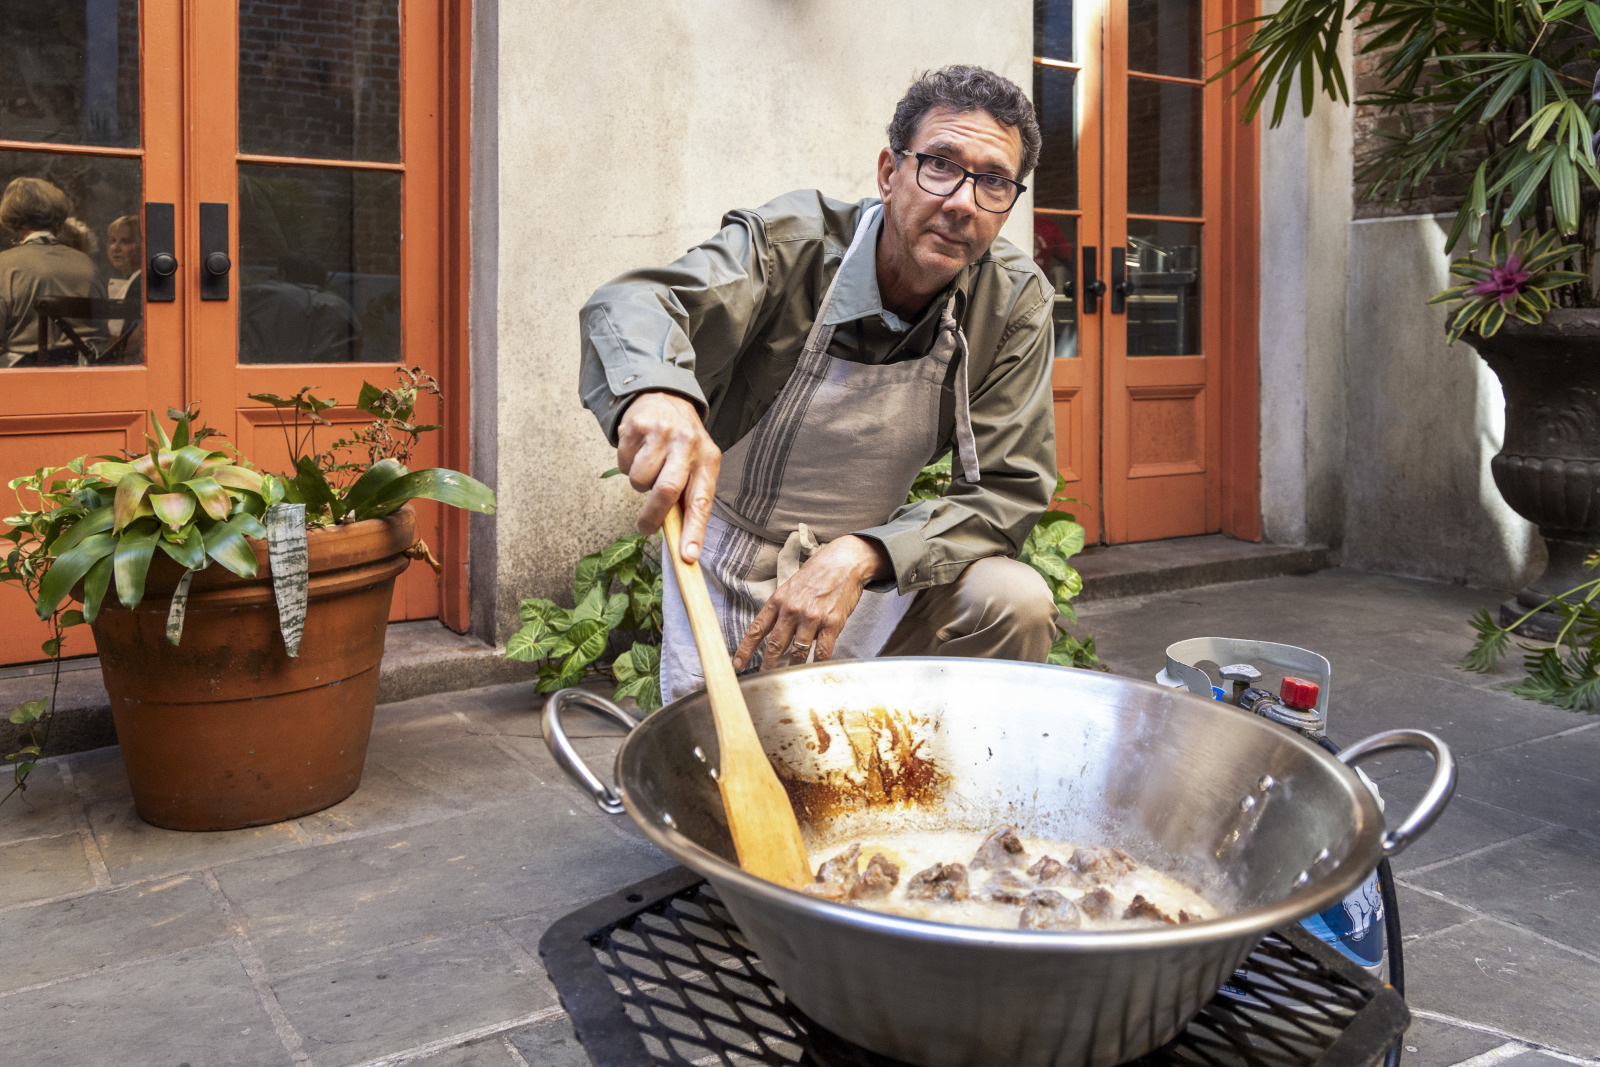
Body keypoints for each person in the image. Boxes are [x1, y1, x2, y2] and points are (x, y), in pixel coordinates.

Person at [580, 65, 1060, 702]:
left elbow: (1009, 488)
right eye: (940, 164)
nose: (962, 201)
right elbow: (635, 301)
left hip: (876, 573)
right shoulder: (792, 247)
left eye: (994, 181)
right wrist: (658, 391)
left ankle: (934, 776)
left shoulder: (1013, 301)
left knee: (1014, 600)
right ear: (890, 172)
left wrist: (864, 554)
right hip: (727, 557)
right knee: (732, 773)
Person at [0, 177, 106, 367]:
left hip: (22, 379)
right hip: (85, 375)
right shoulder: (86, 263)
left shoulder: (4, 264)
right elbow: (102, 331)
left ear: (11, 216)